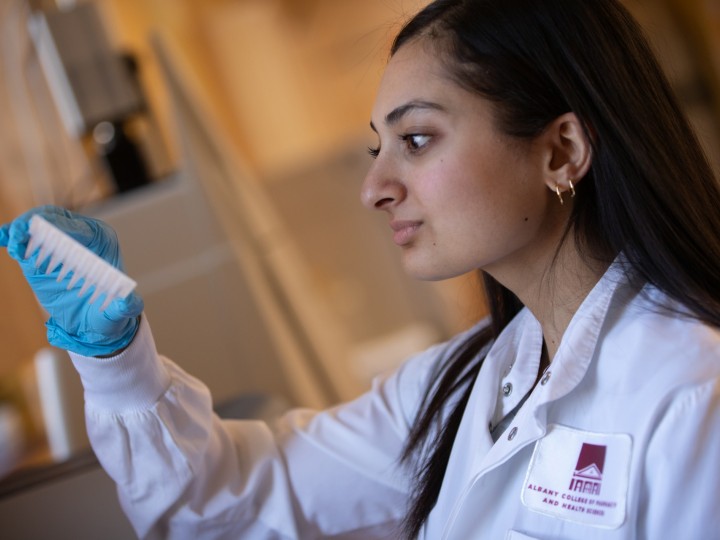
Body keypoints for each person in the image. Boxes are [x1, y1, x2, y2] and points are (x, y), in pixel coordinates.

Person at [2, 0, 720, 537]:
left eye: (416, 138)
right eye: (380, 146)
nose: (374, 188)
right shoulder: (463, 383)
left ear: (560, 151)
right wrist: (118, 360)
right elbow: (234, 499)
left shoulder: (691, 394)